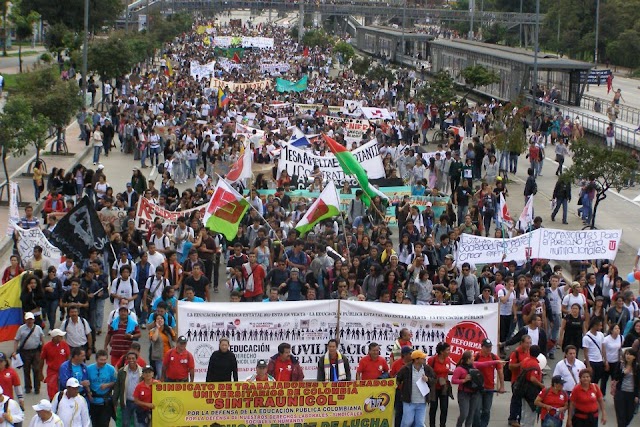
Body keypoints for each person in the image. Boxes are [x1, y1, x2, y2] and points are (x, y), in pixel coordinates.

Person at [396, 350, 436, 427]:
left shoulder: (427, 369)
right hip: (409, 401)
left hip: (422, 401)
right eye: (422, 358)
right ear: (416, 359)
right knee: (407, 422)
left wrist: (428, 379)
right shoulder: (406, 368)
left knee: (420, 423)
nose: (425, 359)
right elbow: (398, 378)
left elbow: (434, 380)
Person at [473, 339, 506, 427]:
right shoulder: (475, 356)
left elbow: (500, 372)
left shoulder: (494, 357)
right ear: (482, 347)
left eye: (490, 347)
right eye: (486, 347)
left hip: (489, 387)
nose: (489, 349)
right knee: (477, 410)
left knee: (486, 410)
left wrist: (502, 386)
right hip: (477, 388)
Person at [13, 312, 45, 395]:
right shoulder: (21, 329)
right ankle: (28, 387)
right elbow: (16, 340)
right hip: (25, 352)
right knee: (26, 369)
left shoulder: (38, 328)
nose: (30, 321)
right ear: (25, 320)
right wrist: (15, 351)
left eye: (31, 319)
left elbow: (42, 339)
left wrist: (43, 350)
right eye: (28, 319)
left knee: (36, 369)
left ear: (34, 320)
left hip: (36, 351)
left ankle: (37, 387)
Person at [86, 350, 117, 427]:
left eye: (105, 360)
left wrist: (107, 385)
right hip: (94, 402)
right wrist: (89, 393)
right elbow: (86, 382)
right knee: (95, 424)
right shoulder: (89, 369)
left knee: (104, 424)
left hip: (106, 402)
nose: (103, 362)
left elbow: (116, 382)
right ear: (96, 359)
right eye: (101, 360)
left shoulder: (111, 369)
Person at [507, 334, 532, 427]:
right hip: (517, 381)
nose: (528, 345)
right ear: (521, 343)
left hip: (526, 381)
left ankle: (519, 418)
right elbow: (510, 366)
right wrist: (521, 364)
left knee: (523, 401)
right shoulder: (516, 353)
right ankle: (513, 418)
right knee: (516, 400)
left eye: (530, 343)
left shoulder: (530, 352)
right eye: (527, 343)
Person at [427, 342, 454, 427]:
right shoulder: (432, 360)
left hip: (444, 387)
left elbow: (446, 371)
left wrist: (455, 373)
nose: (449, 351)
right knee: (433, 408)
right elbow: (427, 372)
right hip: (434, 388)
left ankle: (443, 425)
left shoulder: (448, 360)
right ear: (442, 352)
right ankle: (432, 425)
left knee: (444, 408)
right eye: (447, 350)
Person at [38, 329, 70, 401]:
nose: (62, 338)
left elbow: (68, 358)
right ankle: (52, 403)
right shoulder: (46, 347)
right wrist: (40, 373)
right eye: (60, 336)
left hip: (63, 371)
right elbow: (42, 359)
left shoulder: (64, 345)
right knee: (52, 389)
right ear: (55, 337)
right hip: (52, 371)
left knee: (64, 388)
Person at [611, 348, 639, 427]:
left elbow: (638, 382)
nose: (628, 356)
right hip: (621, 392)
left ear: (634, 357)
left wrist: (637, 395)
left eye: (630, 354)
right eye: (626, 354)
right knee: (620, 415)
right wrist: (624, 372)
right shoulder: (621, 364)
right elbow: (616, 377)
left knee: (630, 415)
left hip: (631, 394)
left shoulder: (637, 367)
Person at [517, 345, 544, 427]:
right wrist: (541, 385)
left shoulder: (525, 360)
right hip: (530, 391)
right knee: (530, 413)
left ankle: (522, 424)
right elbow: (532, 378)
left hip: (523, 389)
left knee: (524, 411)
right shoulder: (534, 364)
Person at [113, 352, 142, 427]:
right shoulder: (121, 372)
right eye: (129, 358)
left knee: (137, 424)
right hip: (126, 402)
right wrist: (114, 401)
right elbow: (117, 387)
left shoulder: (142, 372)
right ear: (126, 359)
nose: (131, 360)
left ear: (136, 359)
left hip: (138, 402)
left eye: (133, 358)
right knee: (125, 423)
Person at [149, 313, 176, 378]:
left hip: (169, 356)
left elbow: (175, 339)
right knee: (161, 375)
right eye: (158, 319)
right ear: (155, 321)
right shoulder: (153, 331)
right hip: (159, 357)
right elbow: (154, 339)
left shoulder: (168, 329)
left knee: (169, 375)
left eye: (161, 318)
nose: (160, 320)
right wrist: (157, 329)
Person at [582, 318, 605, 386]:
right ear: (594, 325)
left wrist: (605, 360)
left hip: (599, 361)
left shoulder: (601, 335)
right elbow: (586, 352)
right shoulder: (586, 337)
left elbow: (603, 348)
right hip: (591, 361)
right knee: (590, 380)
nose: (601, 327)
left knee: (596, 380)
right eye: (599, 325)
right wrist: (588, 365)